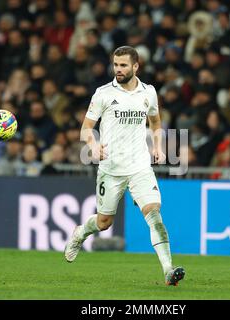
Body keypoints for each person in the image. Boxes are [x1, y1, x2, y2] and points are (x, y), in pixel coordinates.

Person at [64, 46, 185, 286]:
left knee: (154, 214)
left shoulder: (148, 93)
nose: (118, 69)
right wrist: (93, 143)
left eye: (123, 65)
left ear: (135, 66)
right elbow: (86, 128)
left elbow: (156, 121)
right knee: (103, 222)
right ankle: (80, 233)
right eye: (115, 65)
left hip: (140, 166)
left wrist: (158, 146)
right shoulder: (103, 93)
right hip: (110, 168)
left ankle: (169, 271)